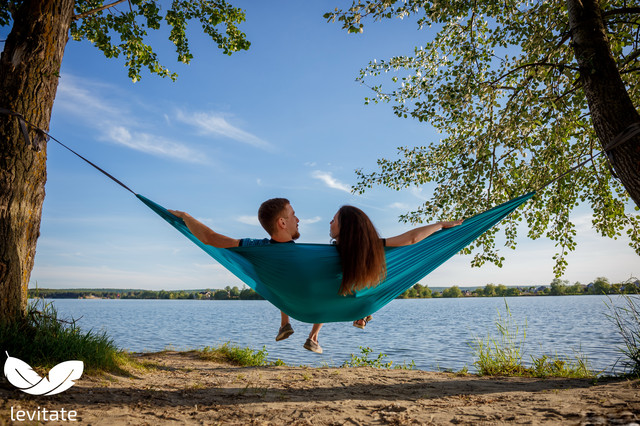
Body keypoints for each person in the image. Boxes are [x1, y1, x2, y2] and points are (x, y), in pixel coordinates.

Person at [168, 198, 324, 354]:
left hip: (285, 297)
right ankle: (313, 336)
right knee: (328, 283)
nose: (298, 220)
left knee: (285, 281)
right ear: (282, 223)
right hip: (311, 302)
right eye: (294, 215)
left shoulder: (257, 247)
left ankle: (285, 325)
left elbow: (210, 238)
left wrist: (185, 217)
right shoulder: (305, 254)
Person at [329, 205, 463, 328]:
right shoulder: (372, 246)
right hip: (355, 298)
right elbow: (411, 238)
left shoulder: (330, 254)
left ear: (345, 227)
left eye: (333, 220)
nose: (330, 223)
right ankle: (363, 312)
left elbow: (412, 238)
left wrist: (440, 224)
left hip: (346, 298)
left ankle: (361, 313)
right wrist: (440, 224)